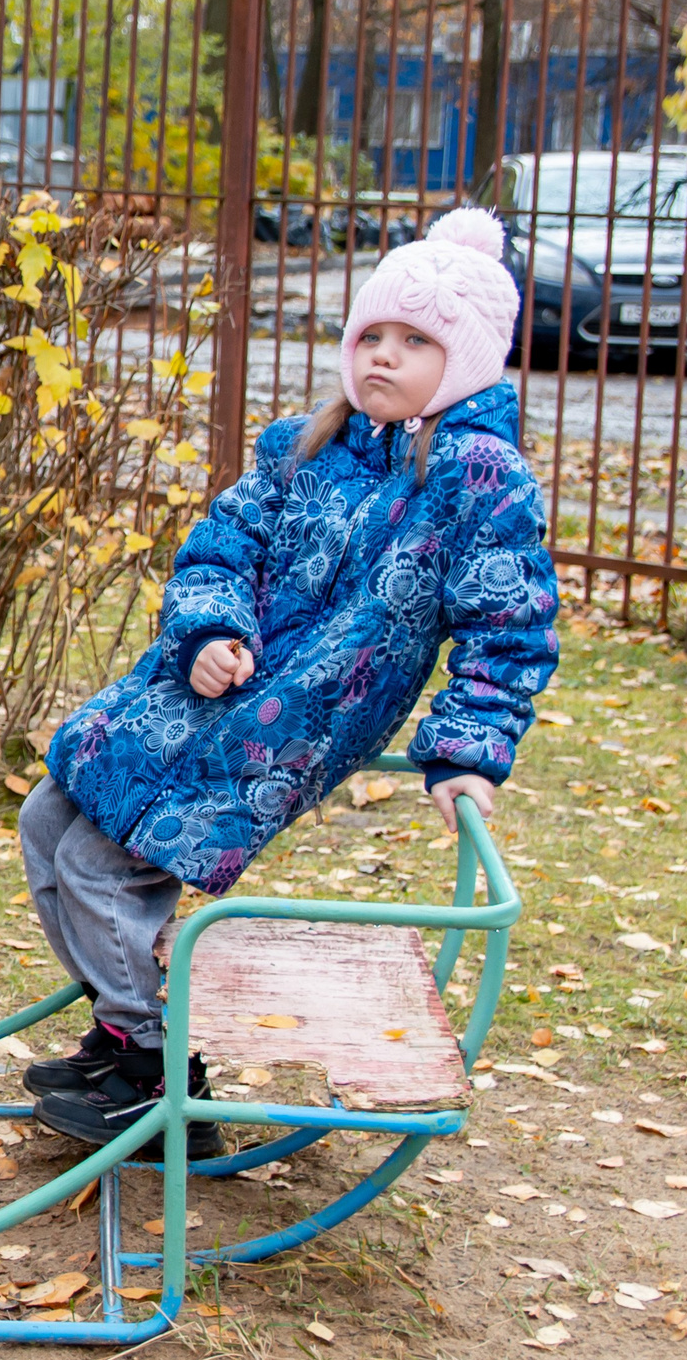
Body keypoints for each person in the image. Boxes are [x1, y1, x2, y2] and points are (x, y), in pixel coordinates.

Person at [27, 207, 560, 1154]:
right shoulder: (303, 446)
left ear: (469, 359)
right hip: (194, 689)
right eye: (372, 337)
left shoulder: (480, 477)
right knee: (46, 824)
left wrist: (469, 749)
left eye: (415, 342)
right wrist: (209, 628)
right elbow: (217, 550)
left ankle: (157, 1069)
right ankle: (121, 1032)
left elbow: (506, 623)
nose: (382, 359)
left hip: (290, 725)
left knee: (100, 866)